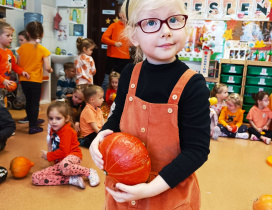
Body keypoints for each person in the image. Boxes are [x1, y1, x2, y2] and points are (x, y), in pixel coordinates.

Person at [89, 0, 210, 208]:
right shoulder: (128, 74)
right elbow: (117, 118)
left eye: (173, 20)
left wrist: (149, 189)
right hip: (124, 189)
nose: (166, 31)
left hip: (169, 193)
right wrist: (99, 137)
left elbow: (196, 151)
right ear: (134, 35)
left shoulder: (193, 85)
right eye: (152, 23)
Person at [31, 101, 100, 189]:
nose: (54, 122)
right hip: (60, 164)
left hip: (72, 158)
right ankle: (71, 180)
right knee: (35, 177)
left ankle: (89, 172)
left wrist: (48, 156)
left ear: (66, 118)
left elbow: (64, 152)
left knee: (65, 166)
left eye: (58, 118)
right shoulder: (53, 129)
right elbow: (53, 146)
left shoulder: (67, 131)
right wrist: (48, 139)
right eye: (51, 118)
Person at [17, 21, 53, 134]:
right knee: (34, 103)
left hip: (24, 79)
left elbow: (18, 64)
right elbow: (47, 67)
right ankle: (33, 126)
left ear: (27, 34)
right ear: (42, 34)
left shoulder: (21, 48)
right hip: (35, 80)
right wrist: (51, 70)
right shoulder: (43, 50)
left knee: (29, 101)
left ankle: (32, 119)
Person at [101, 9, 131, 98]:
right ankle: (101, 101)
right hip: (113, 58)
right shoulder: (114, 25)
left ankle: (120, 102)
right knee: (107, 81)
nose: (126, 15)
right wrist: (114, 43)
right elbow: (103, 38)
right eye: (125, 13)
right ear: (120, 14)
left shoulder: (130, 28)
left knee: (124, 82)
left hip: (125, 59)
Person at [0, 22, 30, 107]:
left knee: (2, 106)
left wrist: (22, 71)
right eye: (7, 35)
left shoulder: (9, 52)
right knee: (1, 108)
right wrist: (3, 80)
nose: (11, 38)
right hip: (2, 83)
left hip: (5, 85)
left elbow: (14, 66)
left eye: (11, 35)